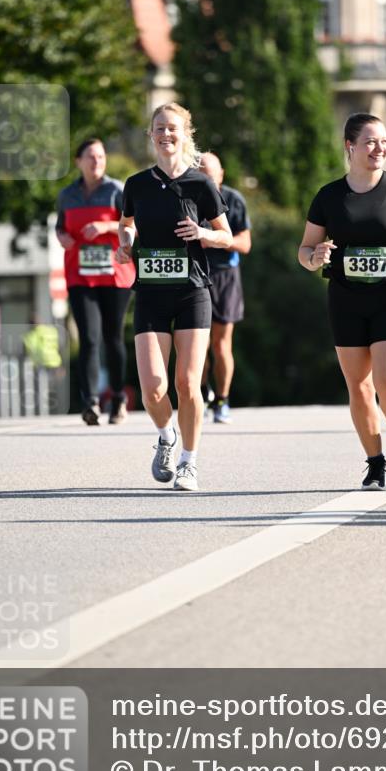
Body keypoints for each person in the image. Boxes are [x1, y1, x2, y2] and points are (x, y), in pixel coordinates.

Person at [299, 112, 386, 491]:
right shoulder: (329, 196)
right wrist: (315, 257)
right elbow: (305, 249)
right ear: (350, 146)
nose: (380, 148)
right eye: (371, 142)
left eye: (384, 142)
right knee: (359, 387)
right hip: (346, 298)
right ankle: (375, 463)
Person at [116, 103, 232, 492]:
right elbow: (127, 224)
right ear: (151, 135)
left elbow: (226, 235)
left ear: (186, 135)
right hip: (150, 290)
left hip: (192, 292)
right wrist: (125, 243)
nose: (166, 134)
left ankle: (189, 462)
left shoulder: (201, 183)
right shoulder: (136, 184)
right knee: (152, 387)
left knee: (187, 382)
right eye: (160, 128)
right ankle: (166, 435)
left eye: (173, 129)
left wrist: (202, 234)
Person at [56, 138, 135, 425]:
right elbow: (60, 227)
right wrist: (62, 237)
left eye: (101, 157)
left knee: (113, 338)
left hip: (115, 274)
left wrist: (104, 226)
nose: (96, 162)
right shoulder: (67, 195)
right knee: (89, 338)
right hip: (80, 275)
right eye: (90, 157)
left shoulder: (116, 190)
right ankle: (90, 402)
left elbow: (133, 226)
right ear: (78, 161)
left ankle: (117, 398)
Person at [198, 152, 252, 424]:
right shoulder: (187, 197)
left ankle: (222, 400)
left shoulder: (233, 200)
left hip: (225, 276)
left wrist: (215, 239)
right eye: (201, 173)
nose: (206, 177)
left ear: (221, 175)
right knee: (197, 344)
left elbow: (245, 244)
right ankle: (201, 392)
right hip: (196, 276)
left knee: (221, 345)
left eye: (210, 173)